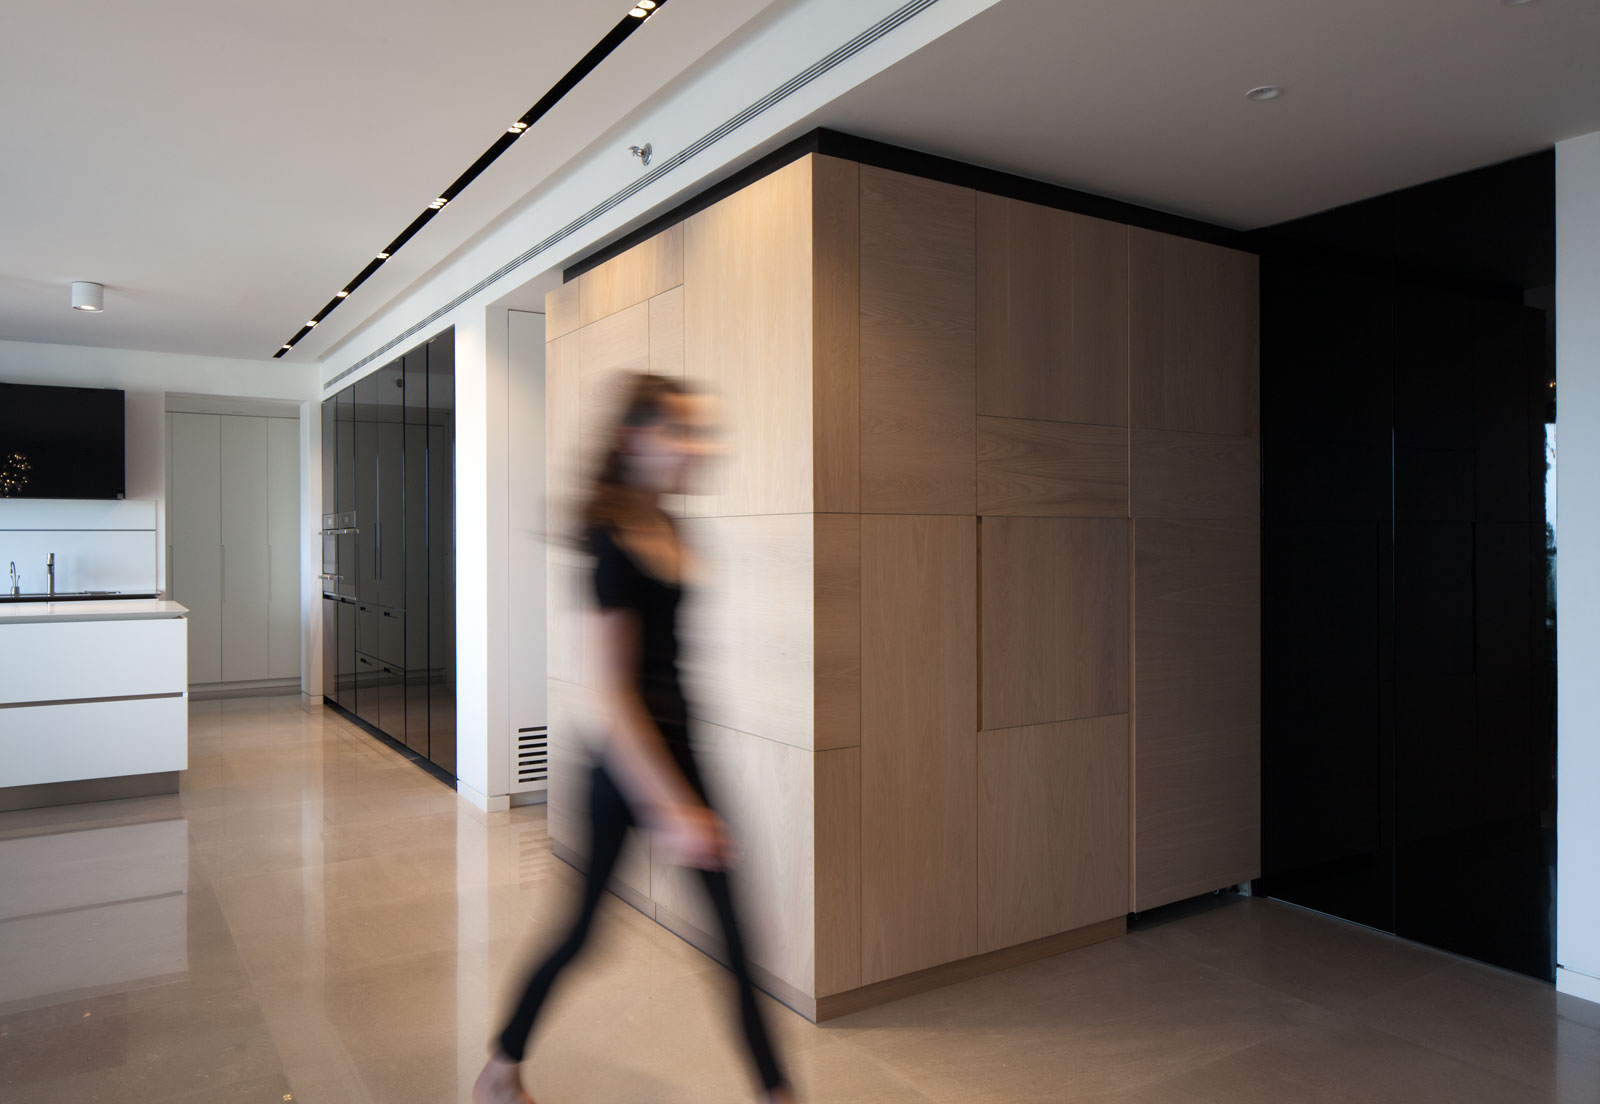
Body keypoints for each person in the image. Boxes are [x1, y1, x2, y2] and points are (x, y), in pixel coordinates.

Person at [474, 374, 793, 1104]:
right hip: (625, 767)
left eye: (700, 432)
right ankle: (500, 1072)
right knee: (582, 932)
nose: (696, 447)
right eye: (679, 431)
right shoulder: (611, 543)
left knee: (736, 941)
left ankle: (776, 1093)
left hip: (682, 753)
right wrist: (674, 808)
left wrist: (686, 791)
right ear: (633, 440)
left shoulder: (675, 527)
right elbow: (613, 696)